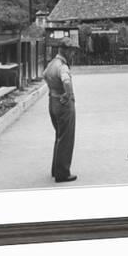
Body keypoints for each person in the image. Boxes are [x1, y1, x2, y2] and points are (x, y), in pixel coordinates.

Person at [43, 37, 78, 183]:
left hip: (53, 101)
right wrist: (68, 94)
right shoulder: (62, 66)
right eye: (71, 51)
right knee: (66, 138)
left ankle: (55, 169)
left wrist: (53, 89)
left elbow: (45, 75)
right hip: (64, 104)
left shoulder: (52, 63)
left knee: (59, 136)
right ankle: (62, 172)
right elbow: (66, 81)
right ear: (66, 51)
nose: (73, 54)